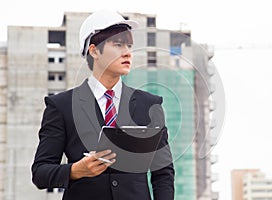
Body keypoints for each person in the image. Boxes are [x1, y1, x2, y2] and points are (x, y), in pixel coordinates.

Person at [31, 10, 175, 200]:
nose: (127, 52)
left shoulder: (149, 105)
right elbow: (40, 173)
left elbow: (163, 173)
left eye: (129, 45)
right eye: (118, 44)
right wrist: (75, 170)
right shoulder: (61, 106)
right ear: (94, 51)